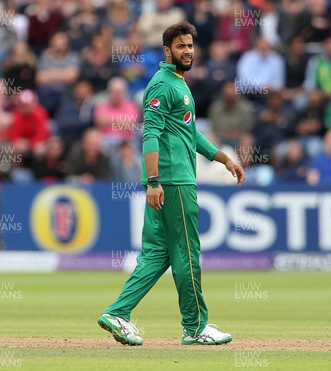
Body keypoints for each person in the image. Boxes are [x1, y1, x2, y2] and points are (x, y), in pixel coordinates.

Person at [98, 22, 245, 347]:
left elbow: (188, 134)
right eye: (181, 47)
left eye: (190, 46)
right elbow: (149, 134)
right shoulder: (163, 85)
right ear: (167, 51)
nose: (188, 51)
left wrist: (222, 158)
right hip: (172, 182)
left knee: (157, 253)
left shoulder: (178, 83)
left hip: (169, 181)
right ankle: (195, 327)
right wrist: (154, 181)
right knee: (188, 253)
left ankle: (118, 313)